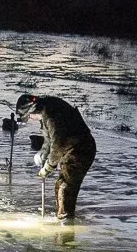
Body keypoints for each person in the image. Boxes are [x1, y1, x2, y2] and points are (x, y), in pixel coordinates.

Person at [16, 91, 96, 222]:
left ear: (32, 110)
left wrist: (47, 168)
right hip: (71, 150)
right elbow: (49, 141)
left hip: (81, 150)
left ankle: (65, 224)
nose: (31, 120)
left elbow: (57, 146)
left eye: (29, 117)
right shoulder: (45, 112)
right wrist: (43, 152)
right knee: (61, 185)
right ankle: (64, 217)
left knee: (65, 188)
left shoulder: (51, 114)